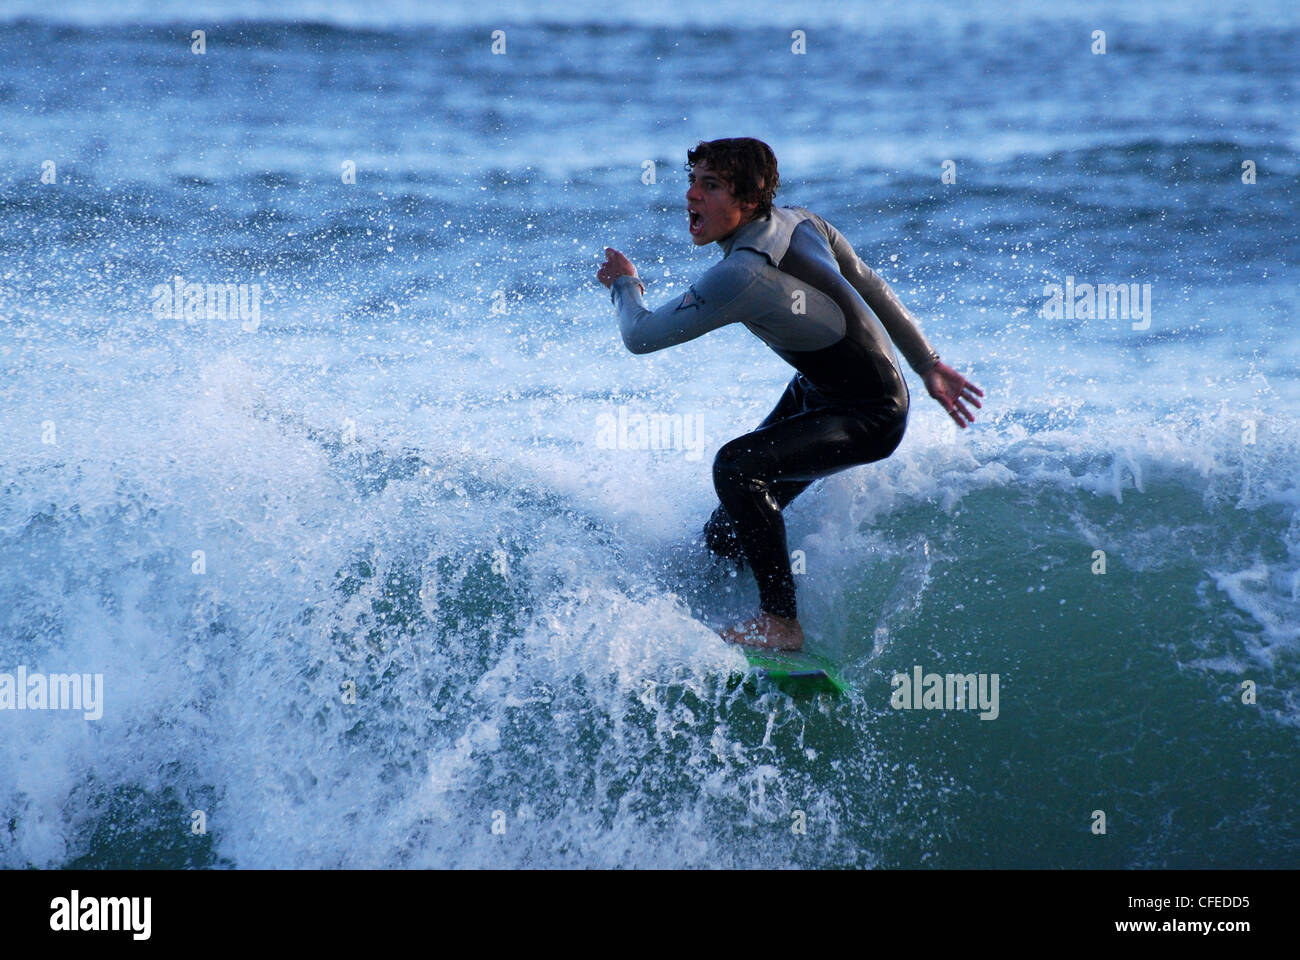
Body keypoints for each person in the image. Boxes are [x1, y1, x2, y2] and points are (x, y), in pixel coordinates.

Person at [596, 137, 983, 651]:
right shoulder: (803, 221)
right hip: (818, 389)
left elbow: (639, 337)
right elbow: (870, 283)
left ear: (751, 199)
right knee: (728, 526)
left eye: (710, 186)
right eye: (692, 182)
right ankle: (718, 605)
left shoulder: (741, 274)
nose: (692, 196)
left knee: (737, 469)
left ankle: (780, 623)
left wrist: (626, 285)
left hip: (870, 414)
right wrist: (927, 365)